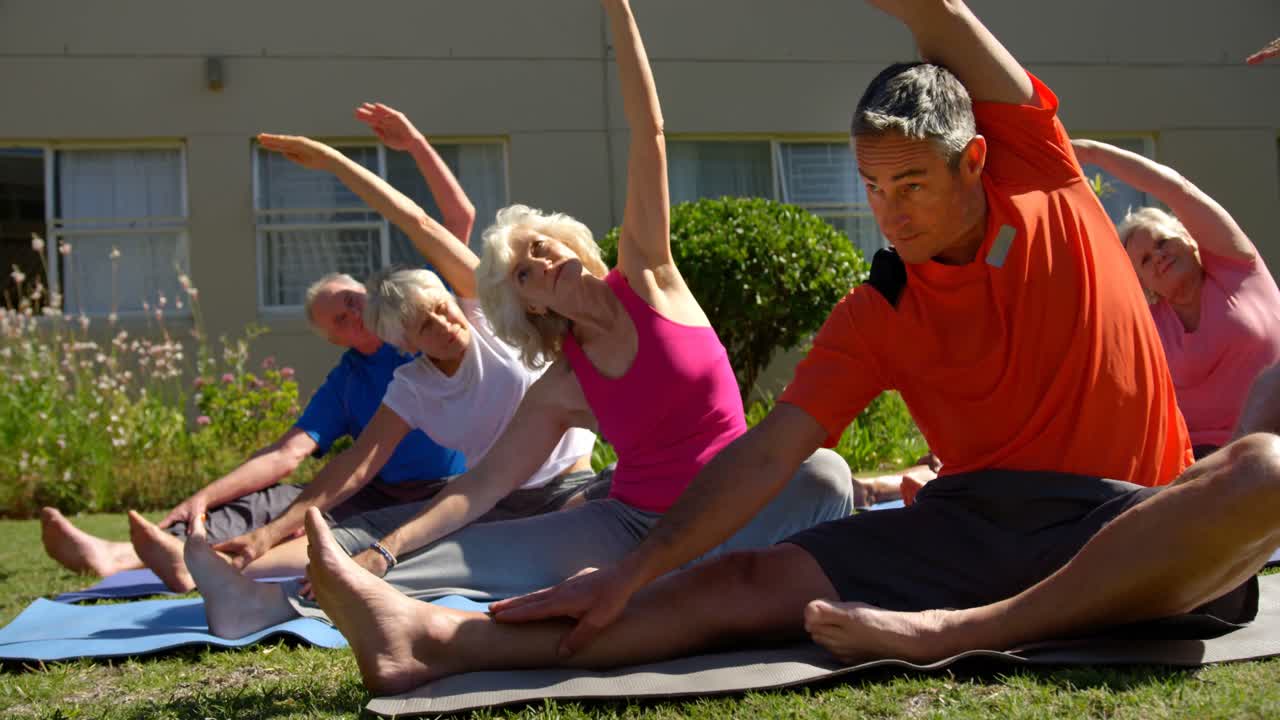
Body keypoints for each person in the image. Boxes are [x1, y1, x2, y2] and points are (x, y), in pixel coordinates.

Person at [289, 0, 1277, 696]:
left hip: (1124, 526)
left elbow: (929, 9)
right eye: (870, 187)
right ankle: (431, 642)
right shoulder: (877, 308)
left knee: (1261, 471)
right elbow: (767, 452)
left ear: (975, 159)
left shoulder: (1044, 180)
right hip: (974, 523)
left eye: (910, 186)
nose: (885, 213)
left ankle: (962, 637)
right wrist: (630, 573)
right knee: (740, 582)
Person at [183, 0, 853, 642]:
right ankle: (267, 603)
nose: (541, 259)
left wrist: (617, 9)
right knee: (467, 548)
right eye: (525, 271)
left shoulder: (651, 274)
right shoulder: (564, 382)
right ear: (529, 305)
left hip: (731, 508)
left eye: (542, 243)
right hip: (631, 527)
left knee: (827, 475)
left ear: (569, 240)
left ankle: (719, 582)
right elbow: (480, 487)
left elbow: (647, 129)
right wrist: (385, 553)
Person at [134, 106, 600, 594]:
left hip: (564, 489)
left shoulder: (488, 316)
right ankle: (216, 570)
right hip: (491, 500)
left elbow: (421, 221)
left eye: (443, 307)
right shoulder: (411, 384)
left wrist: (336, 163)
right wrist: (270, 533)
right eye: (426, 324)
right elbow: (355, 466)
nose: (446, 323)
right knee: (359, 539)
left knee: (556, 529)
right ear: (405, 344)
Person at [40, 268, 465, 592]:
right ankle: (117, 556)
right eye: (338, 319)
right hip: (371, 485)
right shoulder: (346, 380)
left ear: (368, 295)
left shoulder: (416, 340)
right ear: (333, 338)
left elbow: (453, 230)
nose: (352, 315)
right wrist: (204, 496)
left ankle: (205, 566)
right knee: (264, 501)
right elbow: (287, 453)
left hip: (434, 490)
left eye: (353, 301)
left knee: (318, 527)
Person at [1071, 139, 1280, 459]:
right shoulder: (1148, 323)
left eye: (1162, 241)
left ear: (1189, 240)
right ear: (1143, 282)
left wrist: (1091, 154)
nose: (1157, 256)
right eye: (1144, 260)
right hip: (1203, 464)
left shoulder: (1237, 268)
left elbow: (1175, 189)